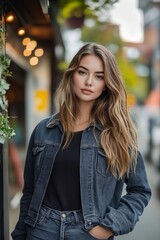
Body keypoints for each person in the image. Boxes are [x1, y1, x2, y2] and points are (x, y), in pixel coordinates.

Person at [11, 43, 151, 240]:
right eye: (82, 72)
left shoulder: (118, 134)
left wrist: (109, 227)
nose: (89, 82)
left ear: (106, 84)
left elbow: (140, 191)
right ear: (71, 76)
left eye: (99, 76)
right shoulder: (44, 130)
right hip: (41, 229)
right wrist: (20, 235)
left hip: (88, 232)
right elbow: (30, 192)